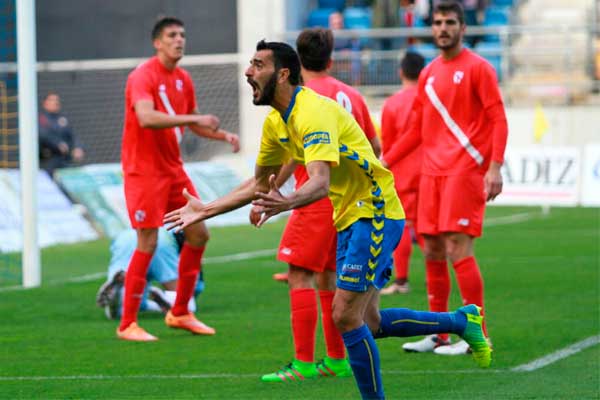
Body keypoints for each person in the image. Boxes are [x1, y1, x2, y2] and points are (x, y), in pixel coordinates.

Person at [165, 39, 491, 399]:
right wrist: (206, 209)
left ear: (283, 73)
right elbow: (258, 183)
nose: (248, 71)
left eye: (258, 65)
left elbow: (319, 182)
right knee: (369, 322)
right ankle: (462, 320)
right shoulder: (277, 122)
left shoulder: (313, 112)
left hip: (375, 210)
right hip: (349, 216)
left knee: (344, 316)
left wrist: (285, 202)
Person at [381, 1, 507, 355]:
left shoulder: (479, 69)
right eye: (437, 22)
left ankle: (476, 334)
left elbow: (498, 118)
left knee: (457, 248)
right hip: (431, 174)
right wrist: (385, 160)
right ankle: (439, 333)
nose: (443, 28)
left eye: (450, 22)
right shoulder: (428, 73)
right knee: (433, 250)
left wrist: (494, 166)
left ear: (462, 28)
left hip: (465, 170)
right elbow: (417, 128)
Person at [259, 27, 380, 383]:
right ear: (330, 57)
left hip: (312, 198)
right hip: (347, 201)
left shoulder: (302, 99)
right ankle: (337, 359)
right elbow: (374, 147)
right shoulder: (350, 95)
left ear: (294, 60)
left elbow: (298, 157)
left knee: (299, 274)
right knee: (329, 276)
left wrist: (273, 192)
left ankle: (302, 364)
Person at [117, 16, 240, 342]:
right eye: (172, 35)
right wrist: (195, 117)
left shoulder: (183, 78)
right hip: (143, 171)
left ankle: (181, 311)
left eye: (182, 35)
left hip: (173, 170)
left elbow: (191, 123)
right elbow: (145, 117)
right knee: (148, 241)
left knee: (199, 233)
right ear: (158, 42)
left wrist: (221, 134)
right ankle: (127, 323)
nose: (179, 40)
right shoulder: (142, 76)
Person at [379, 52, 426, 295]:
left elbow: (387, 142)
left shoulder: (393, 104)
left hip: (402, 171)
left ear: (401, 72)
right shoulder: (430, 100)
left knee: (404, 225)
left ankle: (402, 280)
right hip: (430, 170)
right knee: (427, 226)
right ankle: (434, 275)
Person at [95, 228, 205, 320]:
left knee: (133, 306)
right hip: (162, 241)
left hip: (126, 237)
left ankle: (118, 294)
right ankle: (167, 300)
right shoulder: (183, 226)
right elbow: (195, 274)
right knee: (187, 306)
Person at [38, 92, 85, 177]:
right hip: (48, 160)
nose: (55, 102)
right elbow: (43, 135)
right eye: (52, 100)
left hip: (65, 159)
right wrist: (58, 144)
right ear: (45, 103)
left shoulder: (63, 119)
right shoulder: (42, 118)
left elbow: (72, 135)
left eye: (56, 100)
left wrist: (78, 147)